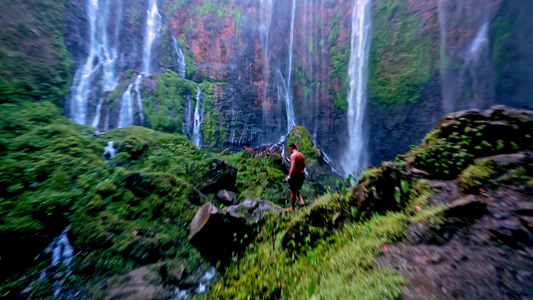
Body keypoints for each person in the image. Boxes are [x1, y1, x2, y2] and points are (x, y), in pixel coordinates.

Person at [285, 143, 306, 211]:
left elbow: (292, 167)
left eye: (289, 149)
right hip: (302, 174)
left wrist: (289, 176)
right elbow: (304, 166)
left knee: (293, 191)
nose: (289, 150)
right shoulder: (301, 155)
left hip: (295, 174)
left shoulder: (293, 155)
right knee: (296, 189)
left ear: (291, 148)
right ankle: (301, 201)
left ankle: (292, 208)